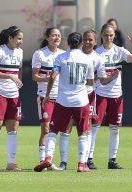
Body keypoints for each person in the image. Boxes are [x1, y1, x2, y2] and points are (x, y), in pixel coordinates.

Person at [57, 30, 119, 170]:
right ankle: (63, 162)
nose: (87, 42)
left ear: (95, 42)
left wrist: (112, 77)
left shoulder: (98, 58)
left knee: (86, 128)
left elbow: (101, 80)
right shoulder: (72, 55)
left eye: (90, 40)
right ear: (81, 41)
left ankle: (86, 160)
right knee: (66, 127)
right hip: (71, 95)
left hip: (88, 96)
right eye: (85, 39)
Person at [34, 32, 94, 173]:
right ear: (81, 43)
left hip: (63, 100)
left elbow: (53, 77)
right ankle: (81, 164)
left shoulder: (61, 57)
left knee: (53, 131)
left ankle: (48, 158)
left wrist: (48, 95)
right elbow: (90, 83)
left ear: (68, 43)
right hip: (81, 100)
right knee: (83, 132)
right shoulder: (87, 59)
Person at [87, 23, 132, 170]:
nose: (108, 38)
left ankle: (112, 160)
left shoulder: (120, 51)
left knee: (115, 128)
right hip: (100, 94)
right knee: (95, 127)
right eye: (105, 35)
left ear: (114, 35)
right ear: (101, 36)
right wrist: (103, 76)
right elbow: (90, 76)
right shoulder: (96, 52)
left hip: (117, 95)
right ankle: (89, 159)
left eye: (111, 35)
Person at [0, 26, 24, 171]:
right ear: (10, 38)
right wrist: (10, 76)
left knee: (13, 129)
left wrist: (17, 81)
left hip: (14, 95)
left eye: (22, 39)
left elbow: (19, 70)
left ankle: (11, 162)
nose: (21, 42)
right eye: (19, 38)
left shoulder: (20, 52)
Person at [31, 27, 64, 171]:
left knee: (57, 130)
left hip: (62, 97)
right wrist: (48, 78)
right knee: (45, 129)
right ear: (47, 38)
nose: (57, 38)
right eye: (54, 35)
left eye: (59, 35)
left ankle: (50, 161)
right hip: (45, 96)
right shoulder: (39, 54)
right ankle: (42, 162)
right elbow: (34, 76)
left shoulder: (64, 54)